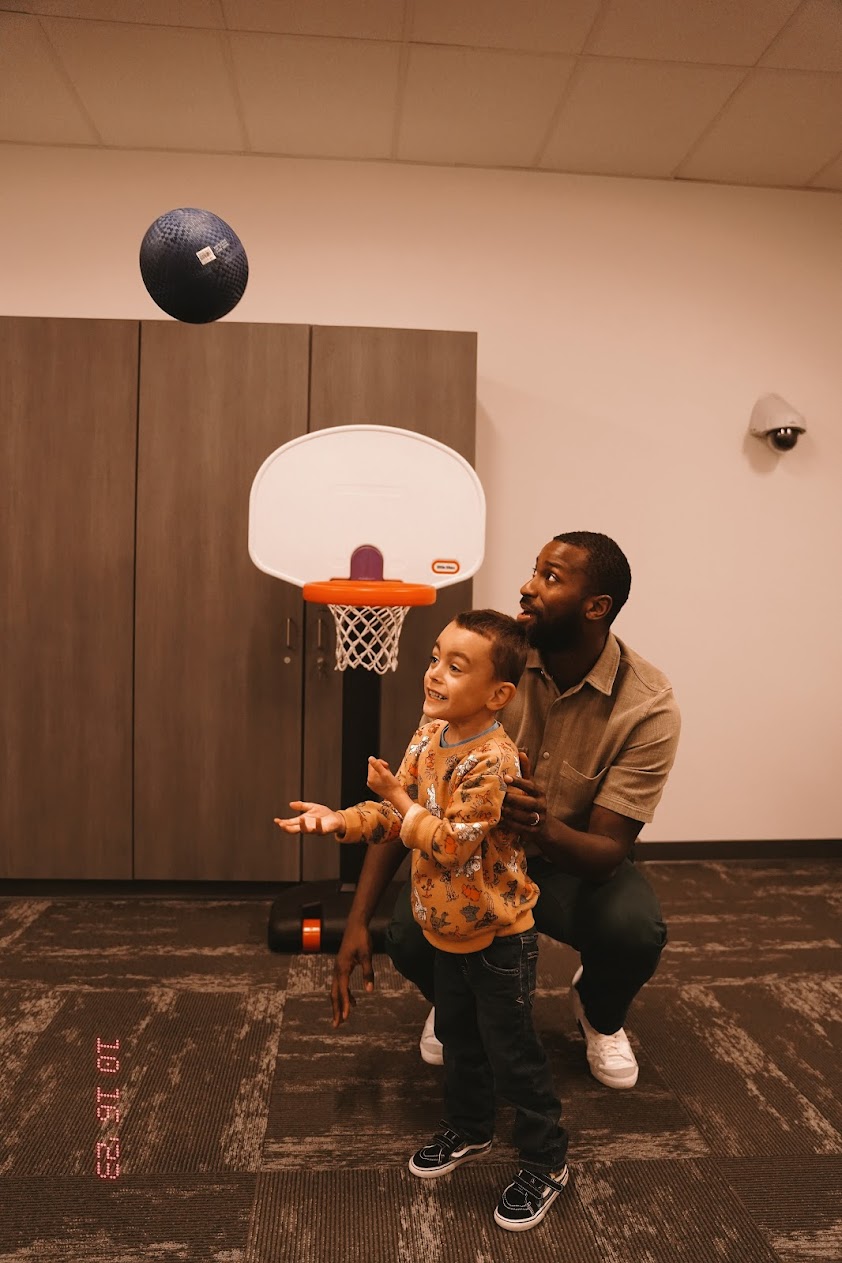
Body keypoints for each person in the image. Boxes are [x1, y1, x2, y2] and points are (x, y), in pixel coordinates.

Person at [331, 531, 681, 1092]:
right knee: (405, 935)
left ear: (596, 608)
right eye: (534, 570)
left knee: (635, 931)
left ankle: (598, 1012)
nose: (527, 587)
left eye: (550, 578)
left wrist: (540, 823)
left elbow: (608, 853)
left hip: (571, 865)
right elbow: (409, 799)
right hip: (471, 857)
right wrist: (356, 921)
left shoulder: (647, 705)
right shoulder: (492, 660)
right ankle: (457, 999)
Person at [276, 609, 569, 1232]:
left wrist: (399, 798)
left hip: (499, 939)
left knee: (512, 1052)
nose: (433, 674)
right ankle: (469, 1130)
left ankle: (546, 1160)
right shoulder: (427, 734)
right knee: (461, 1043)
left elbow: (452, 844)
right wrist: (340, 820)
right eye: (435, 657)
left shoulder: (493, 761)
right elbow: (390, 819)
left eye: (454, 667)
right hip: (446, 930)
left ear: (498, 695)